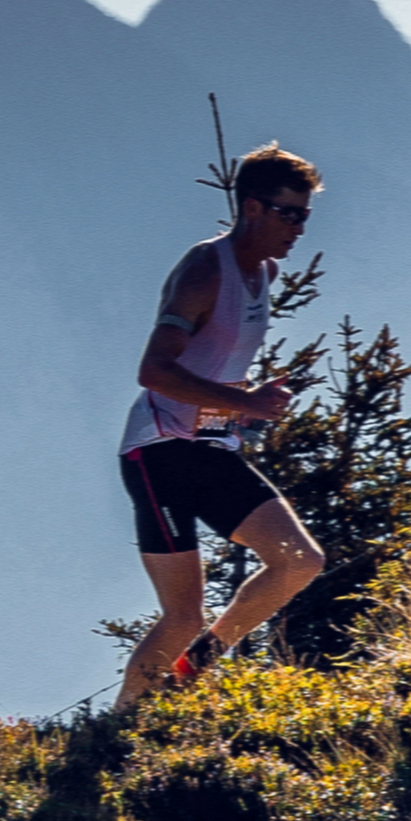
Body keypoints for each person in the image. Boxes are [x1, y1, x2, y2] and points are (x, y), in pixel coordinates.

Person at [113, 144, 327, 710]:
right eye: (290, 213)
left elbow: (214, 359)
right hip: (157, 451)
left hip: (209, 449)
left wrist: (246, 400)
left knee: (300, 562)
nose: (300, 227)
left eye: (305, 215)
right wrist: (246, 401)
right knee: (182, 615)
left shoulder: (265, 272)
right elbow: (154, 371)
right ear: (252, 207)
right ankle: (112, 734)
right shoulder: (204, 273)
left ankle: (191, 672)